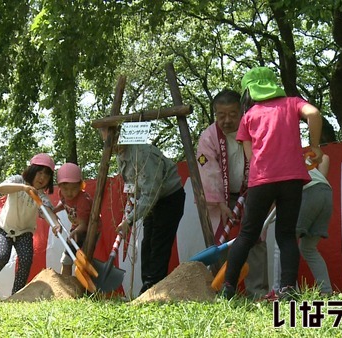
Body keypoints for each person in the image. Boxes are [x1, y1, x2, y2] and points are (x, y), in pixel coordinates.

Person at [221, 66, 323, 300]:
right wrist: (315, 146)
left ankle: (228, 288)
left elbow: (250, 157)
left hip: (261, 180)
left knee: (247, 235)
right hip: (292, 179)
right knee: (286, 235)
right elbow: (314, 114)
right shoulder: (292, 103)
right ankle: (288, 290)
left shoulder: (248, 117)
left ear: (249, 92)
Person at [196, 89, 270, 299]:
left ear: (241, 112)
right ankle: (226, 292)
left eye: (232, 114)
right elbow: (207, 171)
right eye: (221, 115)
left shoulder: (254, 129)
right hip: (222, 199)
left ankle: (258, 292)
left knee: (255, 240)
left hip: (253, 191)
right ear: (215, 114)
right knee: (223, 242)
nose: (227, 120)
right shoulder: (209, 136)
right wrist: (219, 203)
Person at [110, 134, 186, 296]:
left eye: (114, 137)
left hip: (168, 198)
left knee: (158, 244)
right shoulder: (121, 155)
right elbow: (131, 184)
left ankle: (155, 292)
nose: (111, 142)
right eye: (106, 138)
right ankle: (147, 290)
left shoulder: (142, 154)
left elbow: (152, 192)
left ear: (121, 134)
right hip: (149, 201)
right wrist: (131, 199)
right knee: (147, 245)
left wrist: (129, 221)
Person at [0, 153, 55, 302]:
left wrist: (55, 225)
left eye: (47, 175)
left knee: (26, 259)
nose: (42, 178)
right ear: (32, 170)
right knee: (1, 256)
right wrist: (23, 188)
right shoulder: (18, 181)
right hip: (5, 228)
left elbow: (48, 213)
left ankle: (17, 295)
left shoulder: (42, 196)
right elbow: (1, 188)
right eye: (40, 172)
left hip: (24, 232)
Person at [269, 154, 333, 298]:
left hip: (308, 191)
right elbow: (325, 157)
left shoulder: (272, 158)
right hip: (326, 192)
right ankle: (326, 291)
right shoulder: (295, 154)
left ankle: (279, 291)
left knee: (283, 242)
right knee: (308, 248)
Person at [52, 163, 95, 277]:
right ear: (59, 187)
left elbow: (84, 225)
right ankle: (65, 282)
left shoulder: (83, 200)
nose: (69, 193)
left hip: (90, 230)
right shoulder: (62, 193)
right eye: (65, 189)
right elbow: (64, 202)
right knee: (68, 255)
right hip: (76, 227)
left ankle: (82, 280)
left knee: (82, 255)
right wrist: (55, 210)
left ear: (80, 186)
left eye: (74, 189)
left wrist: (75, 232)